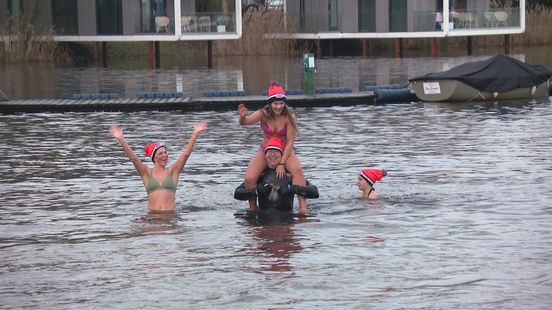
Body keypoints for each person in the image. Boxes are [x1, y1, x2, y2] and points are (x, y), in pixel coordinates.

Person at [237, 82, 308, 213]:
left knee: (297, 171)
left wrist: (282, 163)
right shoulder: (262, 114)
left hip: (284, 150)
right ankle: (253, 207)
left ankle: (303, 207)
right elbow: (245, 122)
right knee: (249, 177)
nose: (279, 106)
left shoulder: (289, 117)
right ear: (270, 103)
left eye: (281, 103)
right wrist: (242, 117)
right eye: (275, 103)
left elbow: (290, 141)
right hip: (266, 150)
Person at [109, 122, 207, 212]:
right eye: (160, 153)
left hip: (170, 217)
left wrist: (195, 133)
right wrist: (121, 140)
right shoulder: (147, 173)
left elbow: (185, 155)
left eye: (165, 152)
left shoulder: (173, 171)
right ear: (154, 157)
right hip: (153, 217)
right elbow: (134, 159)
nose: (164, 155)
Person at [234, 137, 318, 214]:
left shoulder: (290, 176)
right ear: (265, 156)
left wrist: (291, 188)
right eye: (269, 151)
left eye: (276, 151)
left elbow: (314, 192)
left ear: (282, 156)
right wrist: (256, 191)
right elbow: (237, 193)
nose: (272, 154)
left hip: (286, 216)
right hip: (263, 217)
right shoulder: (260, 176)